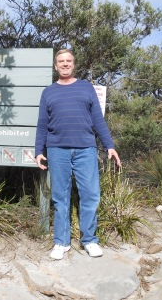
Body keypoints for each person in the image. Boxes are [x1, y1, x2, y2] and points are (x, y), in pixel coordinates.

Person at [35, 49, 121, 260]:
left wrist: (109, 145)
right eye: (61, 61)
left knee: (90, 195)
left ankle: (89, 240)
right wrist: (39, 151)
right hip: (57, 150)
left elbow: (98, 120)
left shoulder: (86, 87)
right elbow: (42, 125)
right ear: (55, 66)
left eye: (69, 61)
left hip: (86, 149)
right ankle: (61, 242)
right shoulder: (48, 92)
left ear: (74, 64)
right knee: (60, 197)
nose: (65, 64)